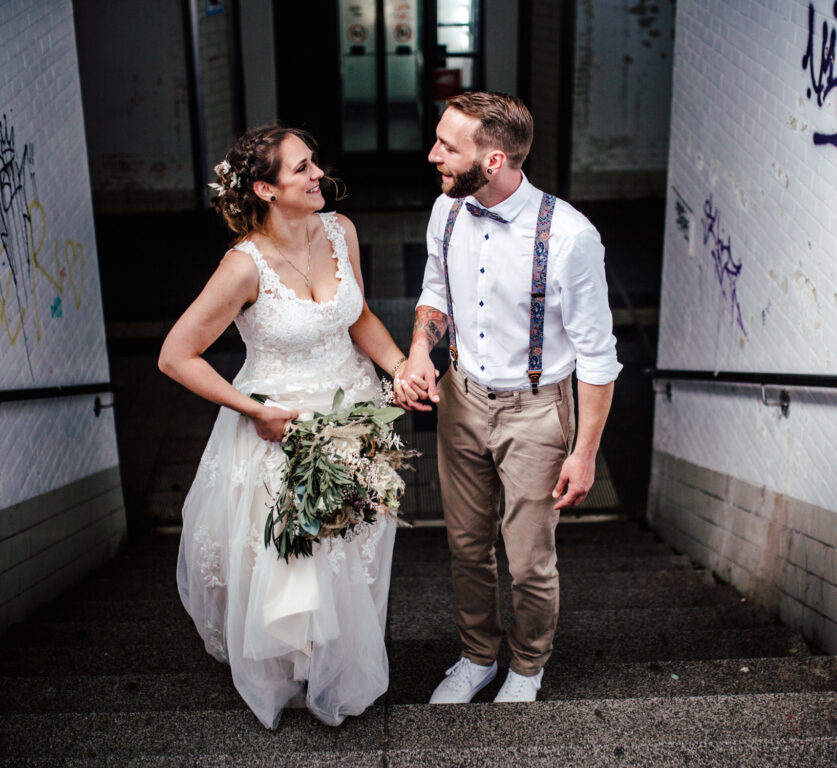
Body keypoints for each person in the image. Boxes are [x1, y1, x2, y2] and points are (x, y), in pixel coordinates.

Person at [158, 125, 414, 729]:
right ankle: (293, 675)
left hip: (353, 422)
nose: (316, 173)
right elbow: (175, 355)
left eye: (313, 162)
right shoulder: (243, 267)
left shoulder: (341, 230)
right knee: (295, 565)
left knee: (348, 555)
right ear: (266, 189)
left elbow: (359, 317)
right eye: (301, 168)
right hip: (281, 431)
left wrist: (400, 366)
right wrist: (253, 410)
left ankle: (333, 670)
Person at [400, 92, 621, 704]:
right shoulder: (446, 210)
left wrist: (584, 453)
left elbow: (598, 358)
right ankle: (477, 656)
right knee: (466, 547)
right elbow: (435, 289)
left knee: (529, 560)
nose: (433, 154)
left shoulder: (571, 237)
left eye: (447, 146)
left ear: (492, 160)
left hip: (537, 410)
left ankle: (527, 665)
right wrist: (419, 351)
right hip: (461, 400)